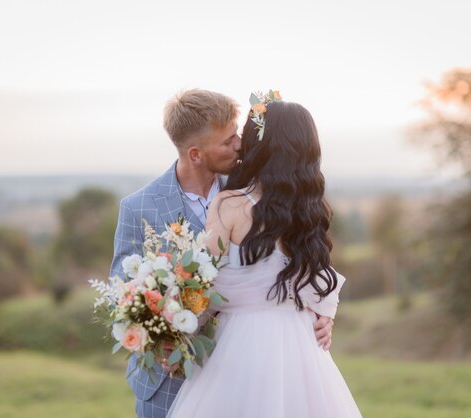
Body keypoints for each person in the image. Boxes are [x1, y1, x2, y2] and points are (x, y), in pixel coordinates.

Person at [110, 89, 335, 418]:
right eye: (228, 141)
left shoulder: (258, 191)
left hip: (251, 369)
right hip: (169, 381)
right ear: (196, 154)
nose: (240, 145)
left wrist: (322, 311)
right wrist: (160, 334)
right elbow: (123, 289)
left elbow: (296, 259)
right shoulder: (138, 207)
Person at [167, 96, 363, 417]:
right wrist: (325, 314)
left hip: (241, 345)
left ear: (259, 145)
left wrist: (178, 329)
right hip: (301, 346)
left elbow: (201, 281)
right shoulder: (311, 211)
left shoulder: (230, 205)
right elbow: (318, 282)